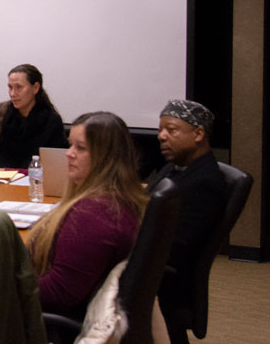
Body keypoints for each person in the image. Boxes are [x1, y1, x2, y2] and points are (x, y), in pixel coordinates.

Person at [28, 111, 148, 320]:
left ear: (106, 157)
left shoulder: (94, 215)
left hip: (51, 322)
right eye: (70, 145)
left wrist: (4, 286)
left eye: (80, 148)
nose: (69, 153)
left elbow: (60, 292)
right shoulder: (118, 200)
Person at [146, 99, 226, 343]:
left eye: (171, 130)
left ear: (198, 133)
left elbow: (173, 248)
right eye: (161, 130)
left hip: (165, 282)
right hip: (155, 269)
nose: (161, 136)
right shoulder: (178, 167)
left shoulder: (203, 183)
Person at [0, 63, 66, 169]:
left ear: (35, 88)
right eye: (10, 87)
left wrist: (7, 172)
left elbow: (51, 167)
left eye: (19, 87)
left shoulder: (51, 122)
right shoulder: (0, 113)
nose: (13, 93)